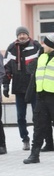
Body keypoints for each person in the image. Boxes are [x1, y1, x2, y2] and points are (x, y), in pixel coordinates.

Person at [3, 26, 51, 151]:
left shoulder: (36, 46)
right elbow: (6, 67)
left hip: (34, 87)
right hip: (18, 87)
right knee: (20, 116)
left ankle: (40, 139)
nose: (22, 36)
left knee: (38, 116)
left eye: (24, 33)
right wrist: (6, 85)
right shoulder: (12, 48)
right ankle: (25, 139)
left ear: (28, 35)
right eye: (20, 34)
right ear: (17, 36)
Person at [23, 33, 54, 164]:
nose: (43, 45)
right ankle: (34, 155)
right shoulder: (41, 57)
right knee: (39, 126)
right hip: (41, 97)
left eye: (45, 43)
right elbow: (30, 70)